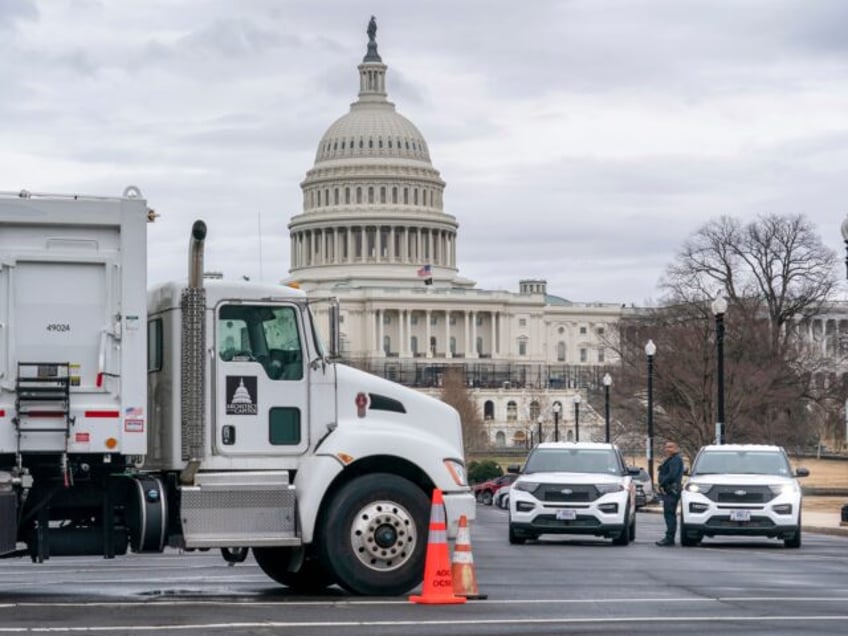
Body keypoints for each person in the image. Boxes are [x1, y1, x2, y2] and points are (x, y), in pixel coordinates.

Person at [655, 440, 684, 546]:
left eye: (671, 447)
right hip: (669, 490)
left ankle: (669, 539)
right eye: (666, 447)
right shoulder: (671, 459)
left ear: (676, 448)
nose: (668, 449)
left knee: (670, 515)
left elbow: (672, 475)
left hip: (672, 491)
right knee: (669, 514)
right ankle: (669, 538)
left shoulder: (676, 460)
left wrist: (662, 482)